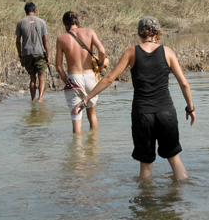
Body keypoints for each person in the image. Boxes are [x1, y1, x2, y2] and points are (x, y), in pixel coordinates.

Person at [73, 16, 195, 180]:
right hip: (166, 112)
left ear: (139, 33)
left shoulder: (131, 52)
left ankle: (145, 202)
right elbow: (184, 83)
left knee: (145, 166)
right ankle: (182, 200)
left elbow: (109, 78)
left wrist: (86, 98)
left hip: (142, 114)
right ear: (158, 32)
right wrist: (190, 108)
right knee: (174, 159)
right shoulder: (168, 52)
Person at [55, 10, 108, 133]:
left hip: (74, 78)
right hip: (90, 77)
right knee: (92, 116)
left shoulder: (61, 39)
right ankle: (93, 149)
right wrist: (100, 64)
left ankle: (77, 150)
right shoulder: (89, 32)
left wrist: (67, 81)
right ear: (78, 22)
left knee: (76, 119)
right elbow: (102, 51)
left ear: (64, 24)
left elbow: (58, 66)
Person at [15, 2, 50, 102]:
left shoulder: (20, 23)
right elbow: (45, 40)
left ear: (25, 11)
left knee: (32, 78)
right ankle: (40, 98)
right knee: (41, 76)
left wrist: (20, 56)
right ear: (35, 11)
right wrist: (48, 56)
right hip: (39, 53)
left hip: (26, 53)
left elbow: (18, 42)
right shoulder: (42, 22)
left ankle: (33, 99)